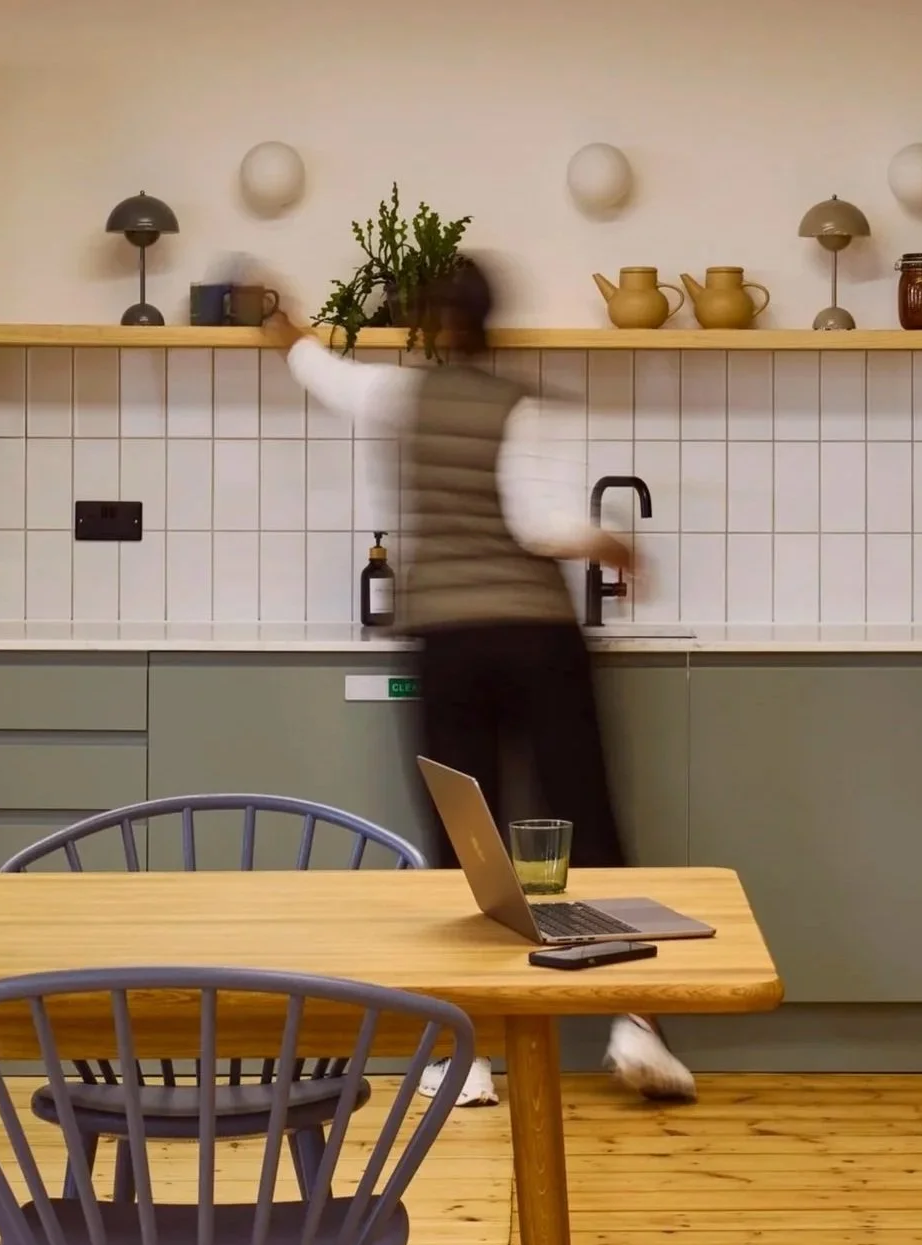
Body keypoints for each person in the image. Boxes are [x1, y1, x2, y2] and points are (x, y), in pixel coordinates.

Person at [261, 262, 695, 1102]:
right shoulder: (523, 408)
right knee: (588, 832)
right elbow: (538, 527)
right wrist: (612, 545)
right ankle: (634, 1027)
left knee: (469, 849)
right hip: (537, 640)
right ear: (492, 318)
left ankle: (459, 1058)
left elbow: (320, 371)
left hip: (451, 643)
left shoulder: (399, 398)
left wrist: (281, 328)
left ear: (426, 322)